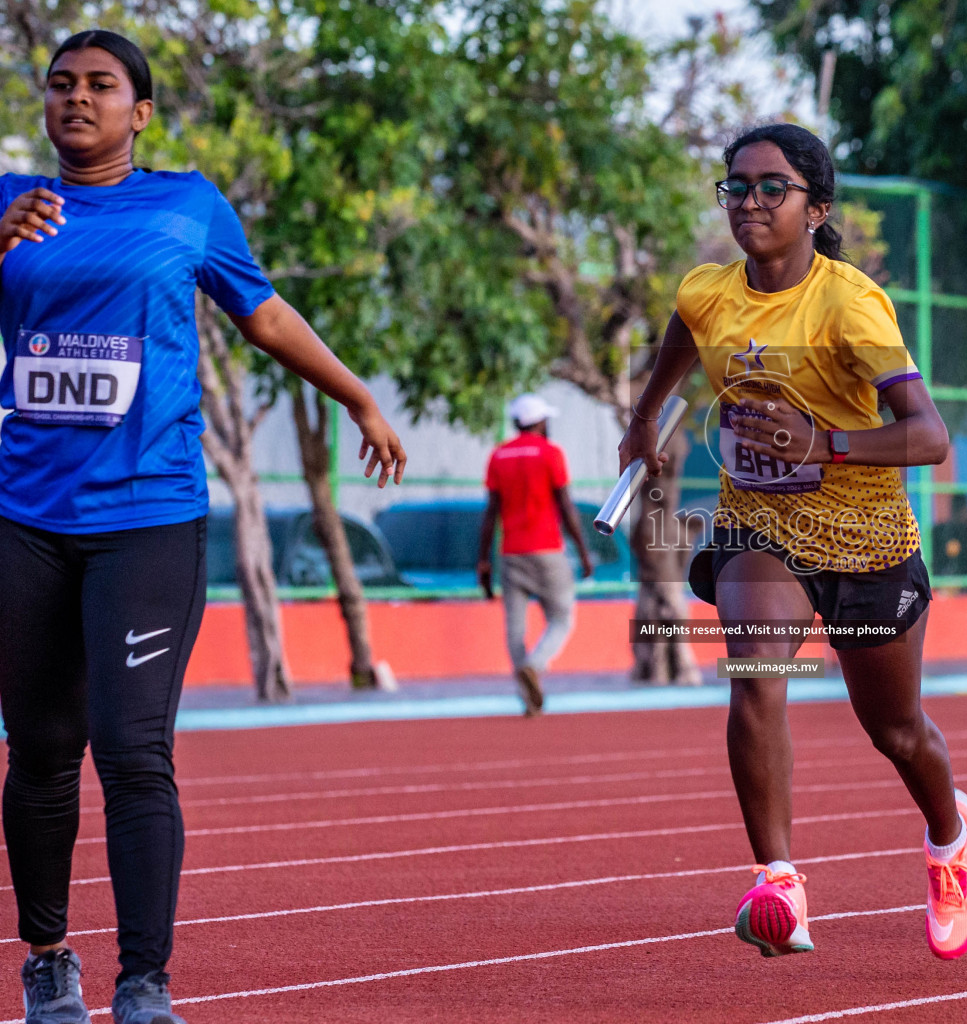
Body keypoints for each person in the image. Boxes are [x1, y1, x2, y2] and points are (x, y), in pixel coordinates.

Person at [0, 31, 406, 1024]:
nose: (77, 100)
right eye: (61, 86)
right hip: (25, 517)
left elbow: (263, 315)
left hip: (147, 513)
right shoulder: (8, 204)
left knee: (133, 750)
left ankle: (145, 986)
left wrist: (360, 399)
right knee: (41, 748)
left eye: (101, 86)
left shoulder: (189, 206)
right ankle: (49, 961)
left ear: (140, 112)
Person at [619, 123, 967, 961]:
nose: (749, 201)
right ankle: (777, 878)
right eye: (737, 186)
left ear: (817, 209)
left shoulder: (850, 303)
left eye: (771, 188)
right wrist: (644, 421)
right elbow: (683, 339)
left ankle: (949, 837)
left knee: (895, 730)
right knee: (756, 678)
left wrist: (819, 445)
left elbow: (929, 438)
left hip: (867, 540)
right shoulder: (708, 292)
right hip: (759, 527)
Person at [477, 393, 593, 717]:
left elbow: (490, 514)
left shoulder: (498, 456)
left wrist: (483, 562)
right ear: (540, 421)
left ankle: (526, 697)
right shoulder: (550, 453)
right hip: (547, 550)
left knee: (514, 629)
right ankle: (535, 665)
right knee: (562, 617)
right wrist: (583, 553)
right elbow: (565, 506)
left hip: (511, 552)